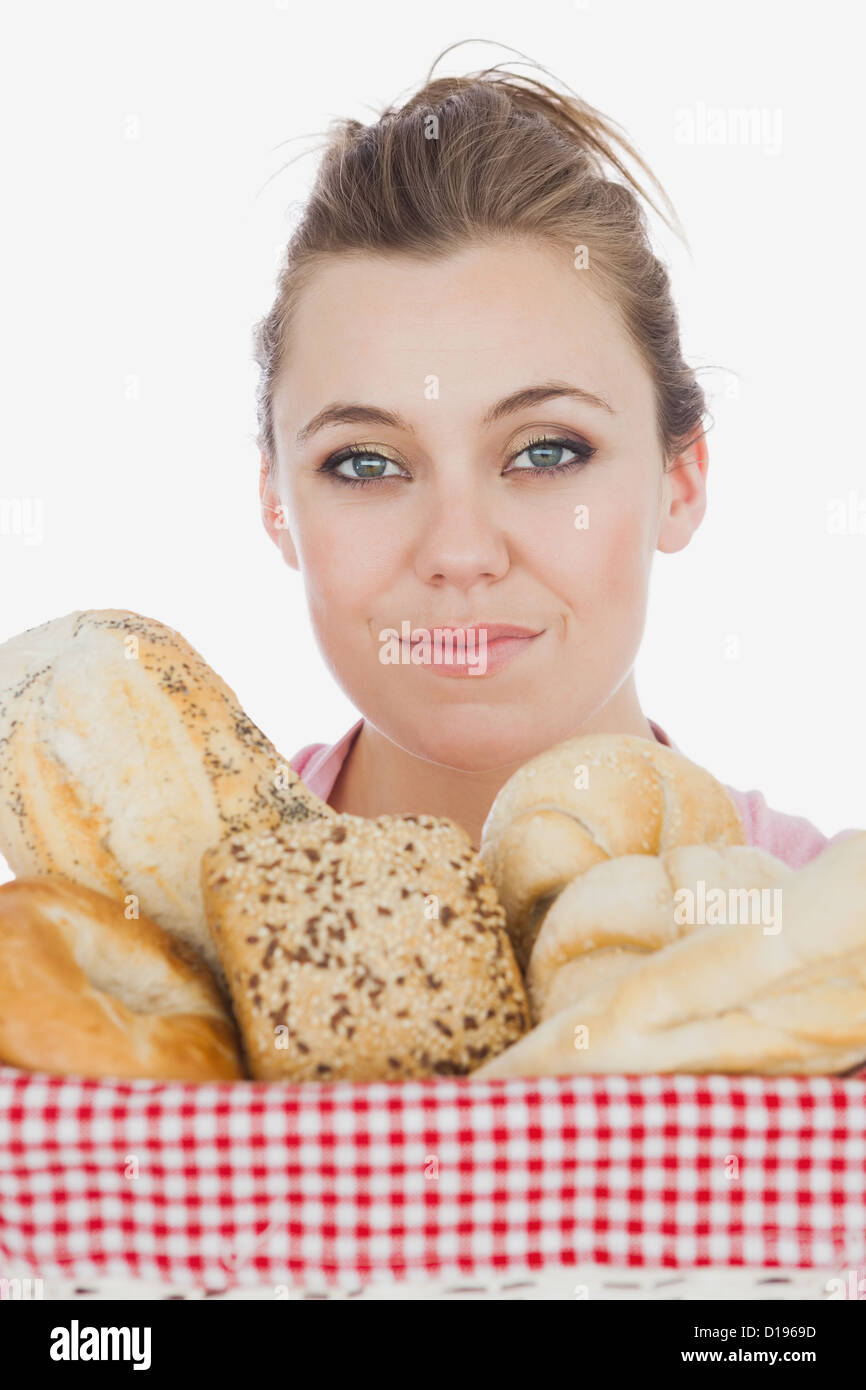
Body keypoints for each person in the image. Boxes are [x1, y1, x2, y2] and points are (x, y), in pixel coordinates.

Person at [254, 46, 856, 867]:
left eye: (545, 452)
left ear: (680, 479)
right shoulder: (118, 940)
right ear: (276, 503)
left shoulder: (830, 931)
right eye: (366, 464)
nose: (460, 553)